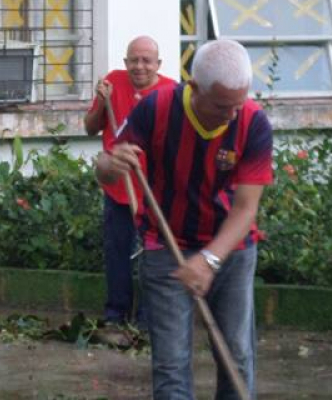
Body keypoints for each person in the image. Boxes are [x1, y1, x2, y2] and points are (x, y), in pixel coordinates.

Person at [96, 39, 272, 400]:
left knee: (236, 356)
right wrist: (109, 165)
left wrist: (209, 261)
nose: (233, 114)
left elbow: (245, 210)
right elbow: (107, 168)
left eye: (238, 103)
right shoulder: (156, 109)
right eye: (224, 106)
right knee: (171, 365)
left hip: (232, 250)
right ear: (194, 89)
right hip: (166, 247)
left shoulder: (253, 122)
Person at [83, 35, 175, 344]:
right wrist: (102, 101)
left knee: (153, 257)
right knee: (117, 254)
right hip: (117, 189)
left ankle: (147, 323)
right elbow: (90, 127)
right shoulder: (112, 83)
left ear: (158, 64)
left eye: (147, 60)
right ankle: (115, 317)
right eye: (134, 60)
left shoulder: (171, 92)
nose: (140, 66)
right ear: (125, 62)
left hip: (154, 193)